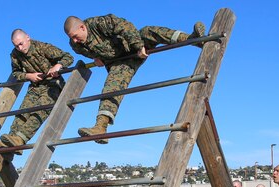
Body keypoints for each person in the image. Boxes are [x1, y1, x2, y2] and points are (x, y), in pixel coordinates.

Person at [64, 15, 205, 143]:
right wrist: (95, 58)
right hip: (120, 63)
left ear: (83, 27)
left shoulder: (99, 23)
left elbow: (124, 26)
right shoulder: (76, 45)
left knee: (148, 31)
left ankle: (191, 39)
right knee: (112, 86)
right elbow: (88, 52)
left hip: (134, 47)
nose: (74, 40)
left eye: (75, 36)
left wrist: (138, 46)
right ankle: (100, 127)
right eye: (72, 38)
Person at [0, 29, 74, 154]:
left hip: (52, 86)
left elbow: (68, 57)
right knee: (23, 112)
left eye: (21, 44)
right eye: (16, 45)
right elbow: (16, 73)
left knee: (40, 111)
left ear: (28, 37)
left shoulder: (42, 47)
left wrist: (58, 66)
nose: (19, 48)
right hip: (35, 86)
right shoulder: (15, 54)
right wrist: (29, 76)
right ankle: (9, 144)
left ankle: (20, 139)